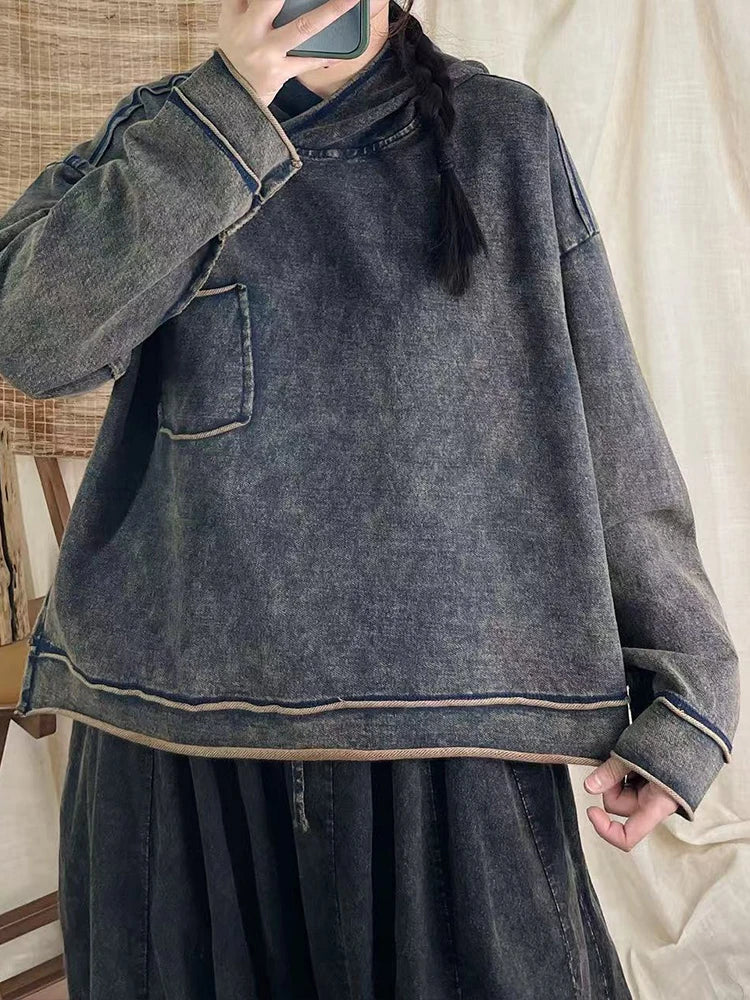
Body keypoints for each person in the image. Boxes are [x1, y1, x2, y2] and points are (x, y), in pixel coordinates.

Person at [3, 0, 739, 997]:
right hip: (177, 733)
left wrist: (685, 694)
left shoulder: (500, 136)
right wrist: (227, 111)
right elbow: (34, 344)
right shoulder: (165, 133)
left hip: (447, 729)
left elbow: (602, 412)